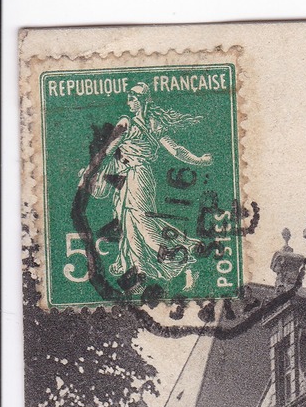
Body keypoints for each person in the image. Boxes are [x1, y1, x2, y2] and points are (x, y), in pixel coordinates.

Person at [79, 83, 213, 286]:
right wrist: (199, 160)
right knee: (130, 226)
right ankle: (140, 273)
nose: (129, 102)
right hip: (134, 178)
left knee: (143, 225)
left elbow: (107, 150)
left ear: (142, 101)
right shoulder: (154, 124)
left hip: (136, 177)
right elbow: (175, 150)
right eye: (129, 98)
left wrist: (90, 172)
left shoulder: (127, 123)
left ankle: (186, 259)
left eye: (132, 98)